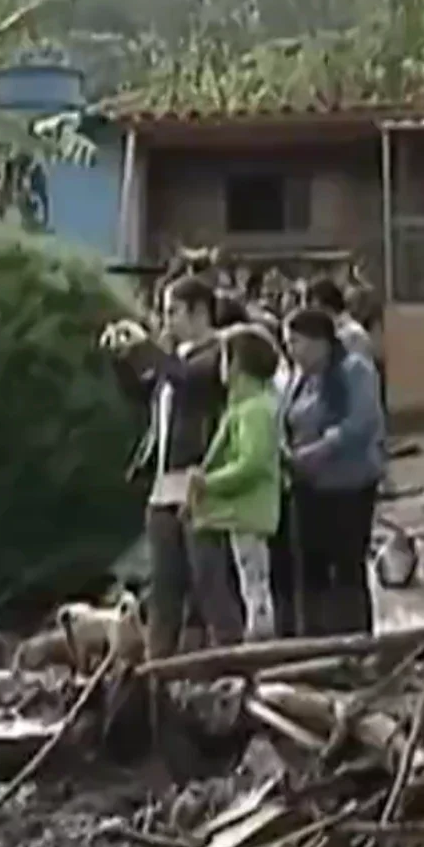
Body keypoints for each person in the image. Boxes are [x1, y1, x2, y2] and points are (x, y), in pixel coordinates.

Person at [102, 275, 229, 659]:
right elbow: (145, 392)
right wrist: (123, 359)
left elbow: (191, 382)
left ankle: (226, 657)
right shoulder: (176, 359)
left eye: (173, 311)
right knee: (163, 581)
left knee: (208, 579)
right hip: (162, 481)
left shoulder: (218, 353)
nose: (166, 319)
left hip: (198, 478)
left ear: (199, 312)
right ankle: (160, 661)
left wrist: (147, 348)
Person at [277, 308, 387, 637]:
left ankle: (354, 640)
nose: (291, 351)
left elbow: (363, 421)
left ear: (319, 342)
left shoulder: (354, 371)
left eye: (295, 342)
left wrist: (321, 449)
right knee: (309, 569)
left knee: (347, 568)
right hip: (307, 487)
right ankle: (314, 638)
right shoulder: (298, 379)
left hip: (348, 486)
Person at [189, 328, 283, 640]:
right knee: (248, 580)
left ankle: (261, 640)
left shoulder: (255, 410)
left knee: (254, 583)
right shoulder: (242, 406)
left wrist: (208, 484)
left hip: (249, 510)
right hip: (240, 510)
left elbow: (252, 463)